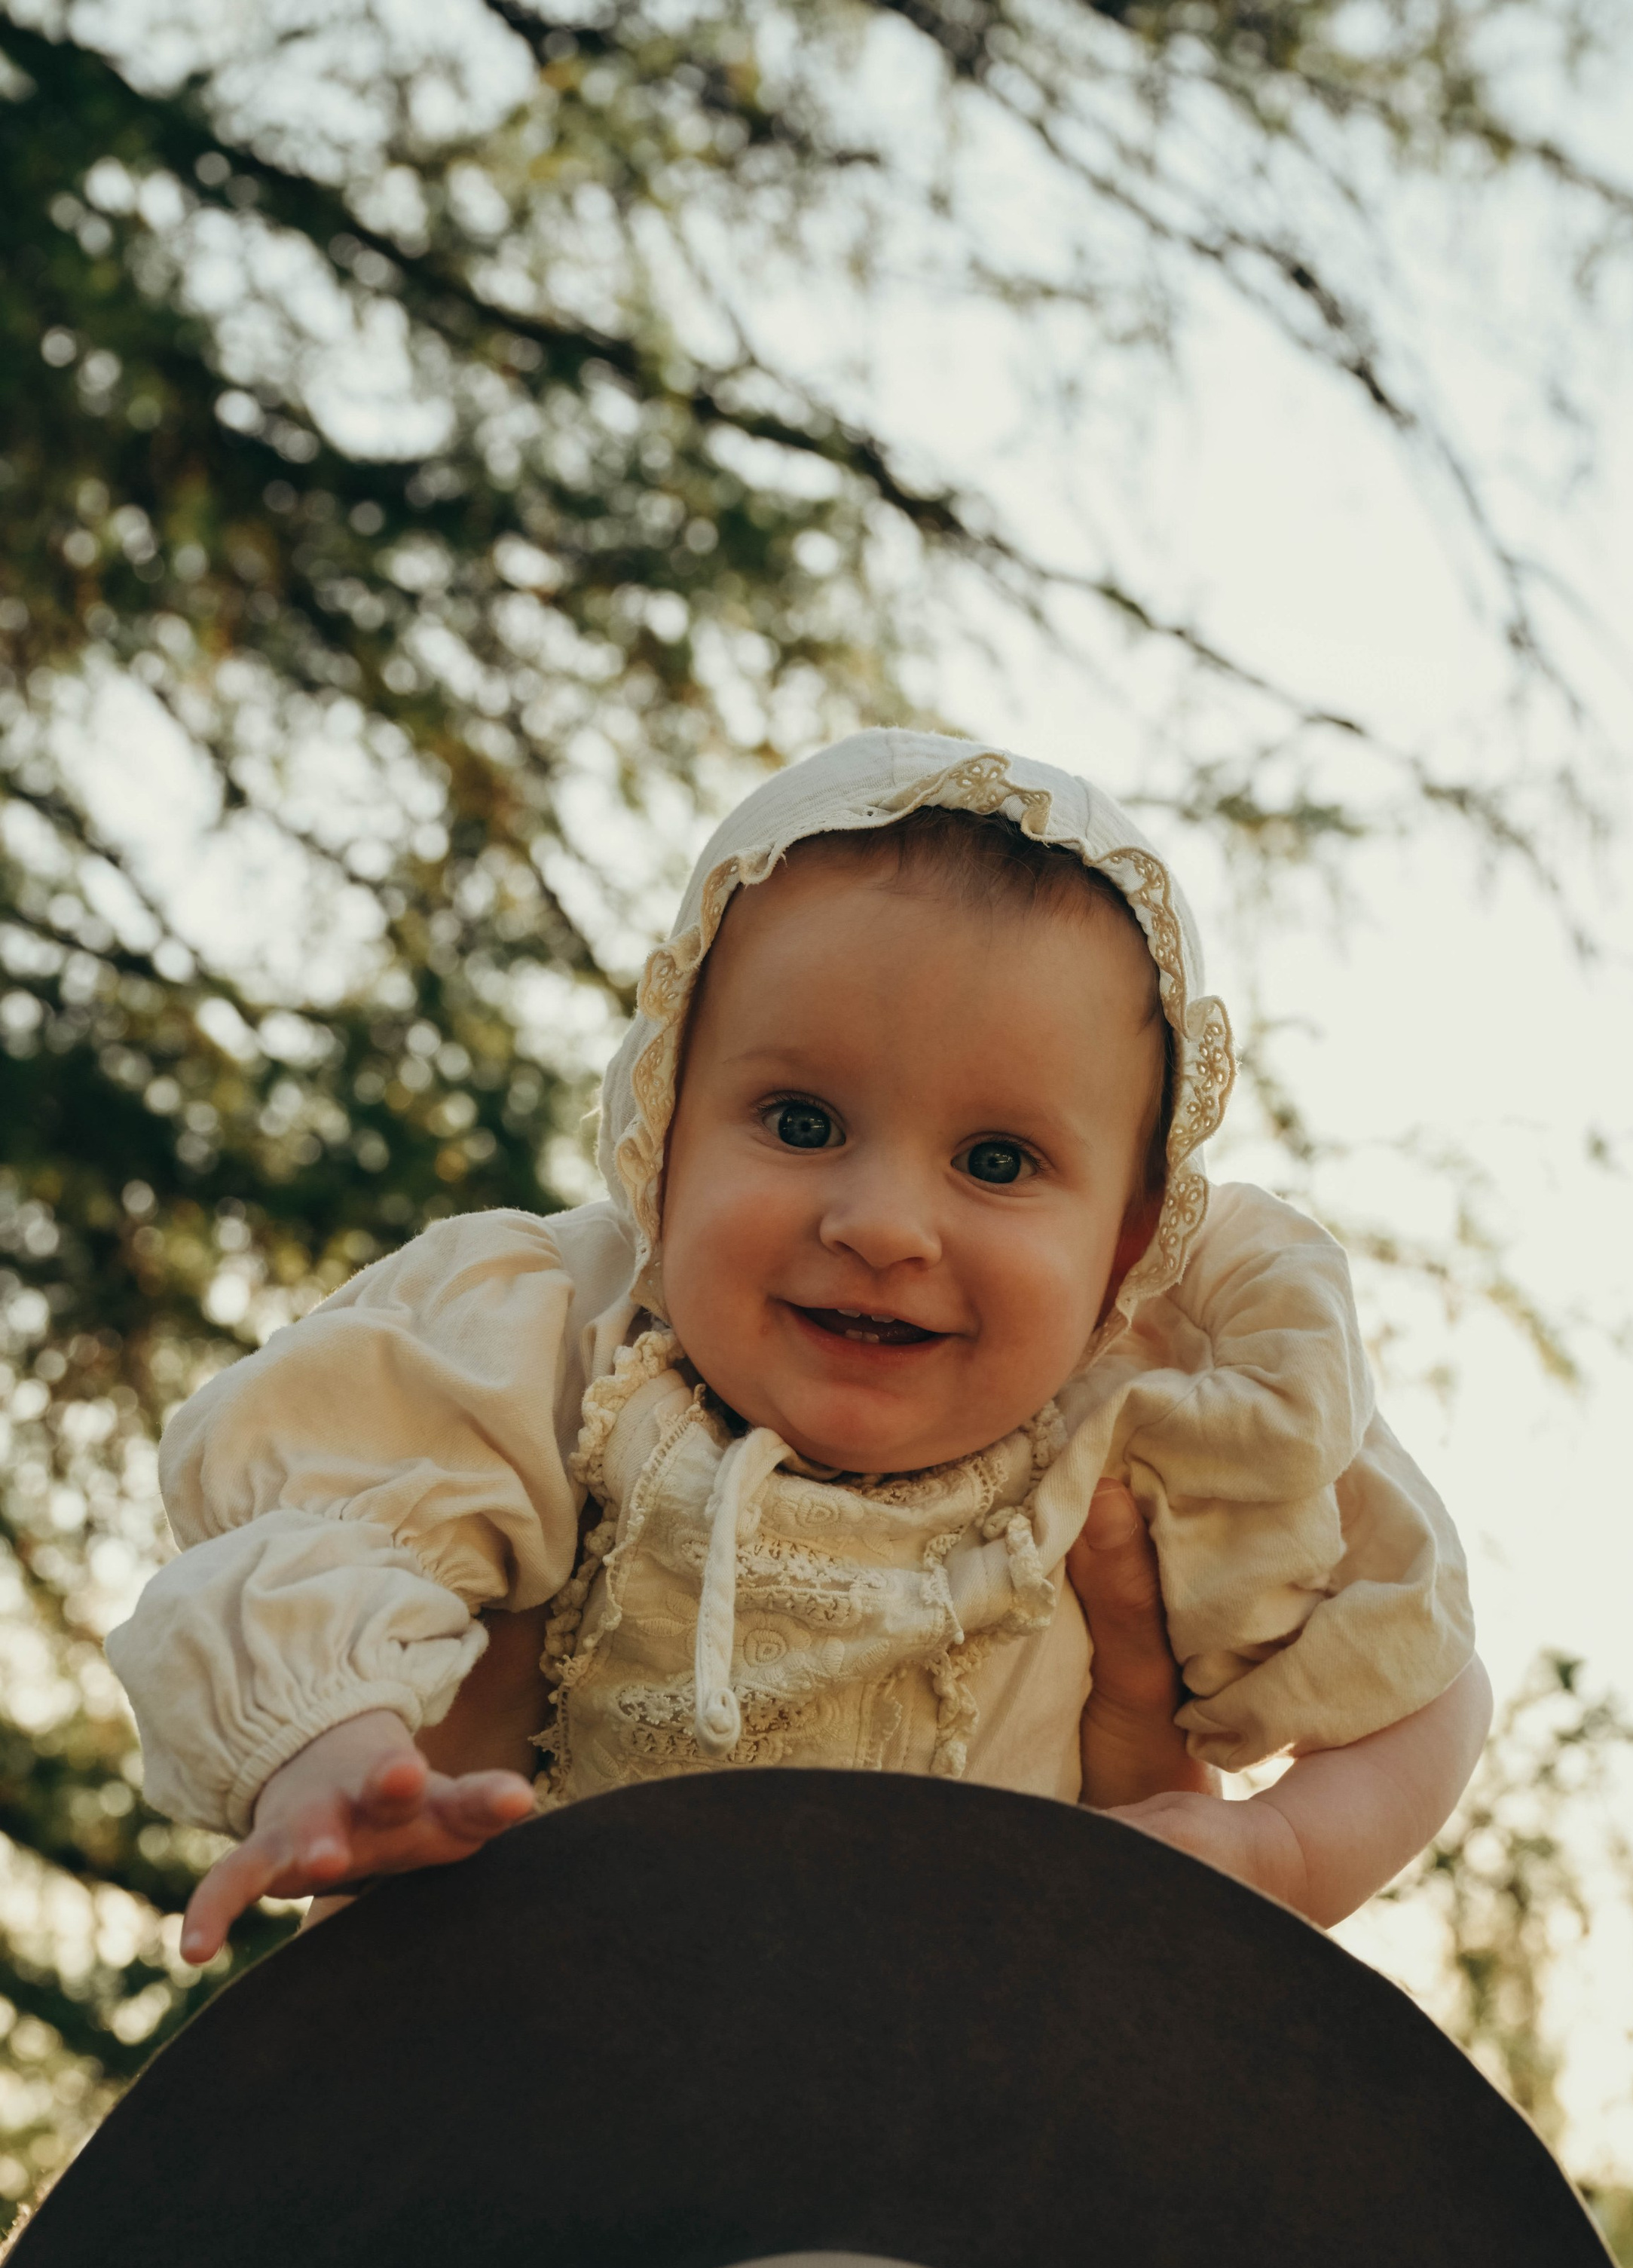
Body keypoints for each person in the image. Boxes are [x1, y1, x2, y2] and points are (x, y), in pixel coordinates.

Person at [109, 731, 1491, 1965]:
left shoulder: (1164, 1412)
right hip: (546, 2058)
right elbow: (309, 1541)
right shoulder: (566, 1349)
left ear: (1128, 1242)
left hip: (962, 2110)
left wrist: (1273, 1857)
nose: (885, 1224)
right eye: (801, 1123)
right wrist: (340, 1757)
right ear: (662, 1131)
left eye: (998, 1159)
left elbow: (1417, 1686)